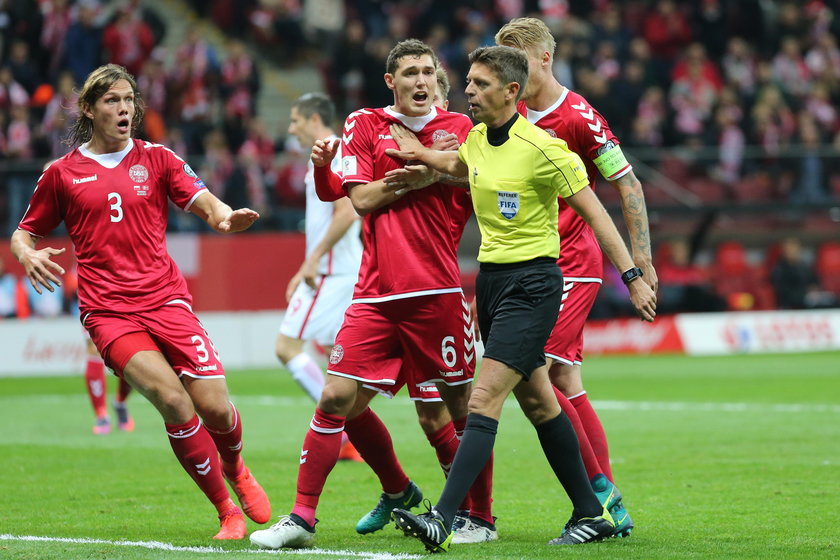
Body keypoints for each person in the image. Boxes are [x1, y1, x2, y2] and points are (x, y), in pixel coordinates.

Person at [387, 45, 656, 551]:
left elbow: (598, 215)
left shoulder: (546, 148)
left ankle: (444, 518)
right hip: (490, 285)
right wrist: (423, 156)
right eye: (468, 82)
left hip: (533, 285)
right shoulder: (478, 142)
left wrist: (634, 274)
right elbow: (458, 162)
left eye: (481, 84)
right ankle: (590, 512)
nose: (468, 90)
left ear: (512, 91)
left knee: (484, 396)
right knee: (538, 401)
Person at [249, 39, 494, 550]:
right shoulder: (365, 124)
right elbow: (359, 198)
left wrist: (426, 167)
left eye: (428, 71)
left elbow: (478, 182)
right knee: (337, 396)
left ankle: (479, 517)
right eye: (410, 73)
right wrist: (420, 177)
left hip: (439, 292)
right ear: (392, 81)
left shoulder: (463, 131)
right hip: (375, 293)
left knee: (458, 407)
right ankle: (301, 518)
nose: (421, 81)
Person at [10, 64, 270, 540]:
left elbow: (204, 199)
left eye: (129, 100)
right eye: (112, 101)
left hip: (167, 300)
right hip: (108, 311)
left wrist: (225, 216)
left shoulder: (157, 158)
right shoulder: (62, 174)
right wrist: (26, 252)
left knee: (215, 407)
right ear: (89, 109)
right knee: (173, 400)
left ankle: (235, 465)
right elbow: (23, 231)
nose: (124, 108)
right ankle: (226, 512)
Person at [494, 17, 659, 537]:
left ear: (545, 58)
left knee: (537, 369)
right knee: (563, 378)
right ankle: (607, 501)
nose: (510, 75)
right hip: (528, 260)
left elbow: (627, 185)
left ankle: (600, 500)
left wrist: (641, 263)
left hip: (571, 263)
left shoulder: (580, 116)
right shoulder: (511, 111)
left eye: (518, 63)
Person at [274, 92, 364, 462]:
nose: (291, 128)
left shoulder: (336, 152)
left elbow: (347, 213)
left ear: (314, 120)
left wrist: (311, 261)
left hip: (332, 273)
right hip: (337, 270)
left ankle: (341, 432)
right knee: (335, 358)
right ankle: (349, 433)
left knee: (286, 347)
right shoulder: (325, 155)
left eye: (296, 119)